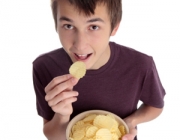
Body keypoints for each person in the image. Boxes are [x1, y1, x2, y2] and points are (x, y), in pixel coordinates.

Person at [32, 0, 166, 140]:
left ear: (114, 27)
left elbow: (155, 105)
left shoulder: (141, 65)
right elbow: (51, 134)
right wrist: (62, 115)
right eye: (68, 26)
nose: (80, 44)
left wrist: (130, 122)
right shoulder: (45, 67)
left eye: (94, 27)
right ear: (56, 26)